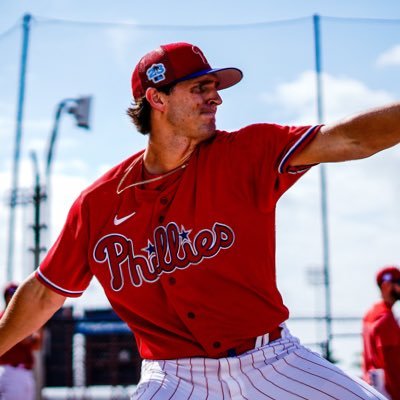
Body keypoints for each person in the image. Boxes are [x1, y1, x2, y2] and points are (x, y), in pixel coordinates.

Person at [0, 41, 397, 399]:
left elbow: (350, 138)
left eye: (214, 88)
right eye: (199, 89)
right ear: (156, 98)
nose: (216, 99)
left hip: (273, 360)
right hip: (174, 379)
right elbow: (44, 292)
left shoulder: (246, 153)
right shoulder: (98, 204)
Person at [362, 266, 400, 399]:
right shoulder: (386, 318)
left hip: (370, 388)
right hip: (387, 391)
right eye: (399, 283)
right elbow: (391, 365)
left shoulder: (370, 314)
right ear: (386, 285)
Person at [0, 283, 42, 400]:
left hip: (24, 373)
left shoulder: (24, 318)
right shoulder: (5, 317)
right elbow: (26, 340)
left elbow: (36, 346)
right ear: (7, 297)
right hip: (11, 372)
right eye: (12, 295)